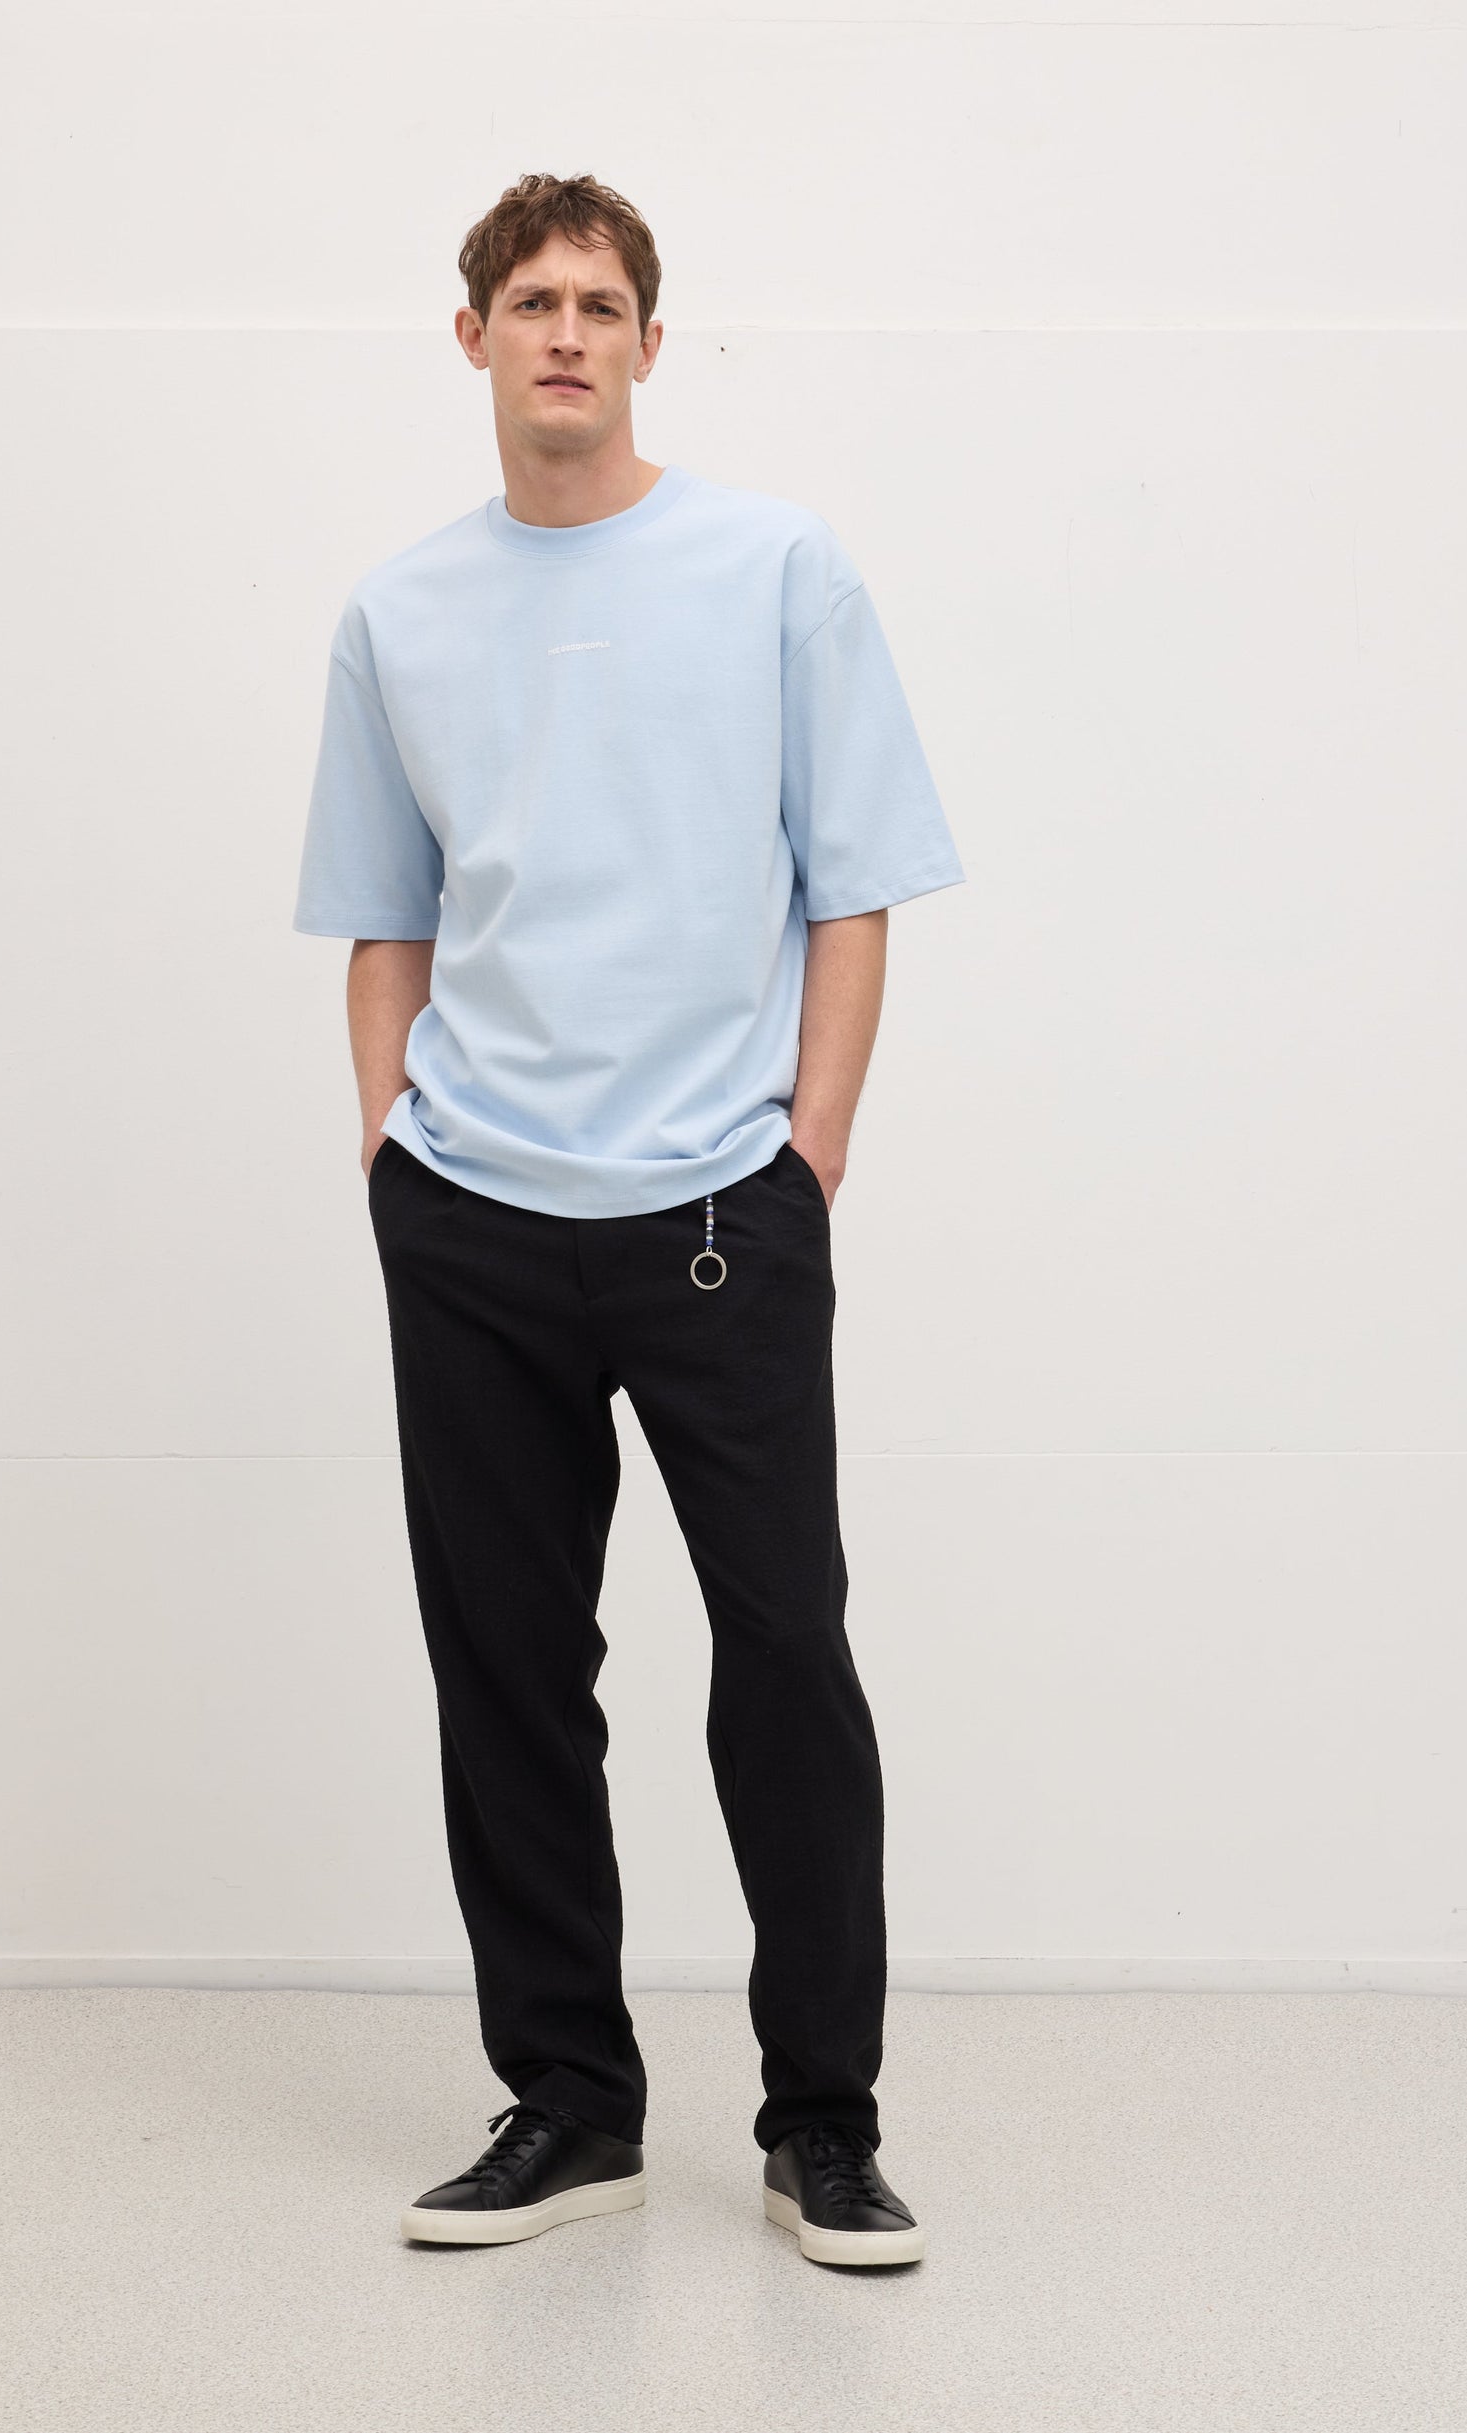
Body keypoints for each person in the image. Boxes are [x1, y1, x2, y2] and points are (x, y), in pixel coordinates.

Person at [292, 171, 963, 2269]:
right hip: (472, 1213)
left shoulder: (773, 569)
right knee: (505, 1670)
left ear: (649, 345)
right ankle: (570, 2103)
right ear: (473, 338)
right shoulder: (399, 612)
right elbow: (382, 915)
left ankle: (823, 2122)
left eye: (599, 303)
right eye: (531, 301)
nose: (565, 332)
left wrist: (807, 1151)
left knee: (784, 1660)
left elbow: (853, 883)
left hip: (718, 1213)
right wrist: (392, 1154)